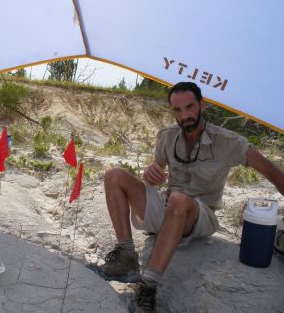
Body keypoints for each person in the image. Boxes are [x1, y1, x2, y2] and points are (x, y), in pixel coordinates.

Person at [98, 82, 284, 312]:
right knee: (114, 175)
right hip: (170, 207)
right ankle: (126, 256)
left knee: (178, 200)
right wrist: (150, 174)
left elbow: (272, 172)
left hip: (200, 216)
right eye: (177, 110)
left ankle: (148, 287)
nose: (185, 115)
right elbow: (156, 169)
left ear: (202, 105)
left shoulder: (228, 141)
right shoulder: (167, 136)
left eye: (189, 107)